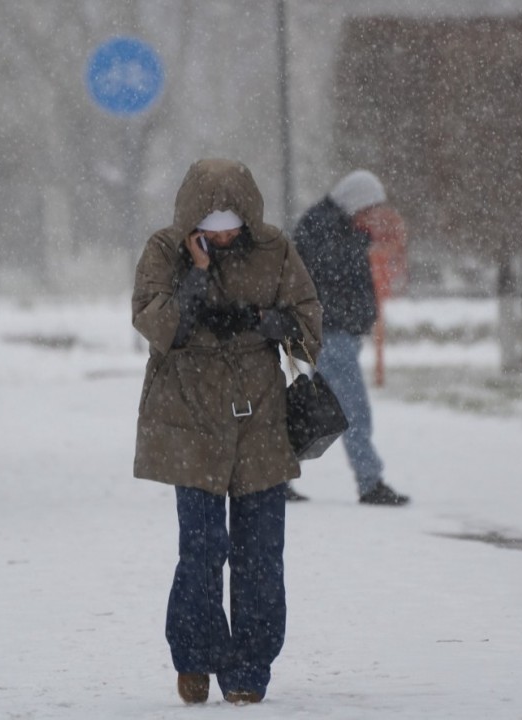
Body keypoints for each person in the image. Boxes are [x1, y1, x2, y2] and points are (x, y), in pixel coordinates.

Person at [132, 158, 322, 706]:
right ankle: (194, 657)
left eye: (231, 228)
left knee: (261, 550)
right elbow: (153, 321)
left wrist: (263, 322)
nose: (222, 238)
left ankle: (249, 668)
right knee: (201, 546)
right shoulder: (163, 250)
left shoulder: (275, 249)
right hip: (189, 414)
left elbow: (309, 325)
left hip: (259, 416)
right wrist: (195, 277)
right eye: (211, 230)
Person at [288, 169, 410, 506]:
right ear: (356, 203)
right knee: (352, 409)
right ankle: (370, 482)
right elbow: (330, 280)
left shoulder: (337, 227)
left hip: (334, 331)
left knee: (317, 410)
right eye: (370, 208)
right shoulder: (326, 229)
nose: (374, 216)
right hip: (330, 333)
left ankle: (275, 477)